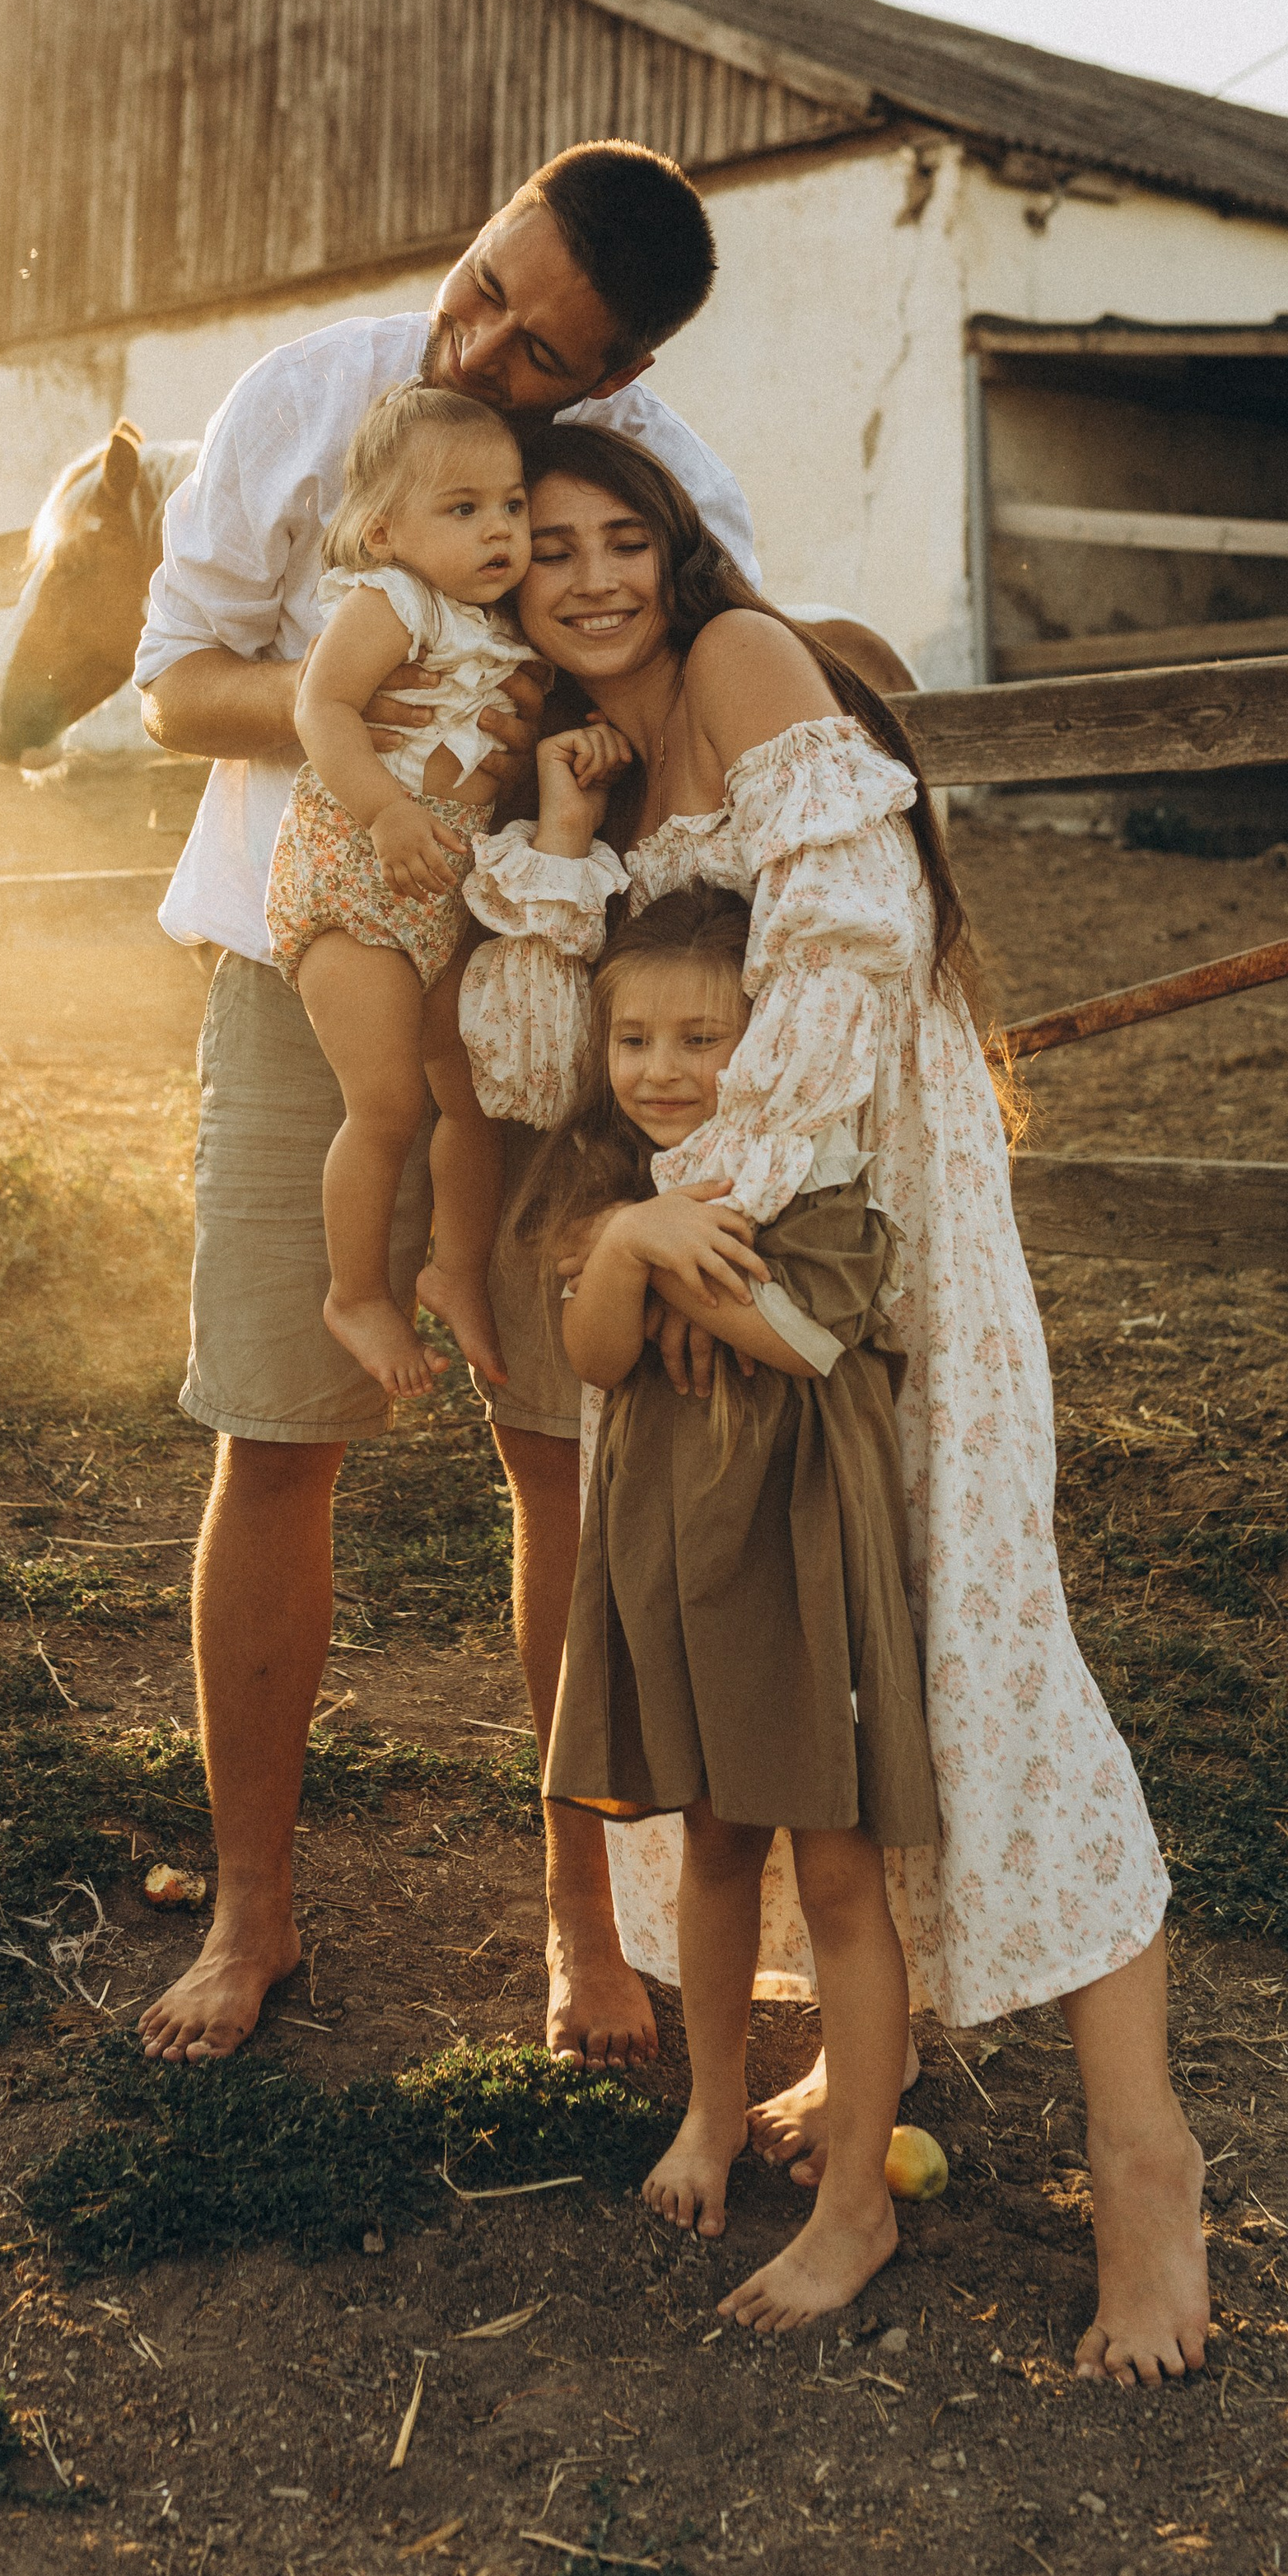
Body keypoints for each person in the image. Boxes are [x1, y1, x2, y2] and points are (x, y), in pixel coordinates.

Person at [458, 426, 1211, 2387]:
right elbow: (539, 1052)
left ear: (679, 543)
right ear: (505, 583)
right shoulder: (589, 761)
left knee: (971, 1639)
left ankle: (1143, 2160)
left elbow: (854, 938)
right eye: (549, 549)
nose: (597, 575)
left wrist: (705, 1218)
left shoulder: (735, 664)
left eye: (627, 535)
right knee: (785, 1655)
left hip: (859, 1216)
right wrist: (551, 839)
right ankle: (840, 2055)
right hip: (697, 1237)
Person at [132, 139, 758, 2070]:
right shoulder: (311, 398)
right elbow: (172, 684)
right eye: (482, 282)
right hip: (301, 959)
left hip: (542, 1002)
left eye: (536, 343)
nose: (474, 337)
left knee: (564, 1441)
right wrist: (400, 724)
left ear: (611, 379)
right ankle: (253, 1900)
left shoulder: (661, 495)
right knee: (276, 1421)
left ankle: (579, 1911)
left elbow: (707, 717)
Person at [521, 881, 938, 2330]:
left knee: (834, 1874)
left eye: (703, 1035)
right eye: (632, 1036)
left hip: (798, 1552)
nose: (663, 1068)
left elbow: (806, 1338)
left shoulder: (814, 1180)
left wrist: (654, 1266)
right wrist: (628, 1244)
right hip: (680, 1561)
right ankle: (711, 2107)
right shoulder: (610, 1188)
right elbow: (587, 1353)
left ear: (768, 1040)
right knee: (710, 1847)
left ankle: (855, 2200)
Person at [265, 381, 538, 1400]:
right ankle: (356, 1293)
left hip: (446, 879)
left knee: (466, 1100)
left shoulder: (505, 621)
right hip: (357, 874)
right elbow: (322, 708)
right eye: (461, 509)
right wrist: (383, 811)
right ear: (384, 531)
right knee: (383, 1106)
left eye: (510, 505)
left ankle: (451, 1267)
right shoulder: (393, 603)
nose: (498, 529)